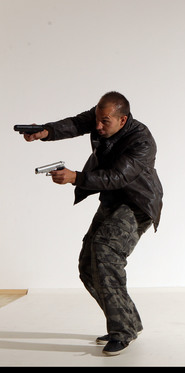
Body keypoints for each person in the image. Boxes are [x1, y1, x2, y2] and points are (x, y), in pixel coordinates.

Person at [22, 91, 163, 356]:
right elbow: (75, 124)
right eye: (97, 119)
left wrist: (76, 177)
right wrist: (45, 132)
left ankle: (122, 331)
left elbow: (118, 177)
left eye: (104, 122)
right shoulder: (101, 117)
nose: (97, 126)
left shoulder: (142, 141)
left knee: (105, 254)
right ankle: (129, 322)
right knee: (87, 266)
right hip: (111, 198)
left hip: (137, 203)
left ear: (123, 120)